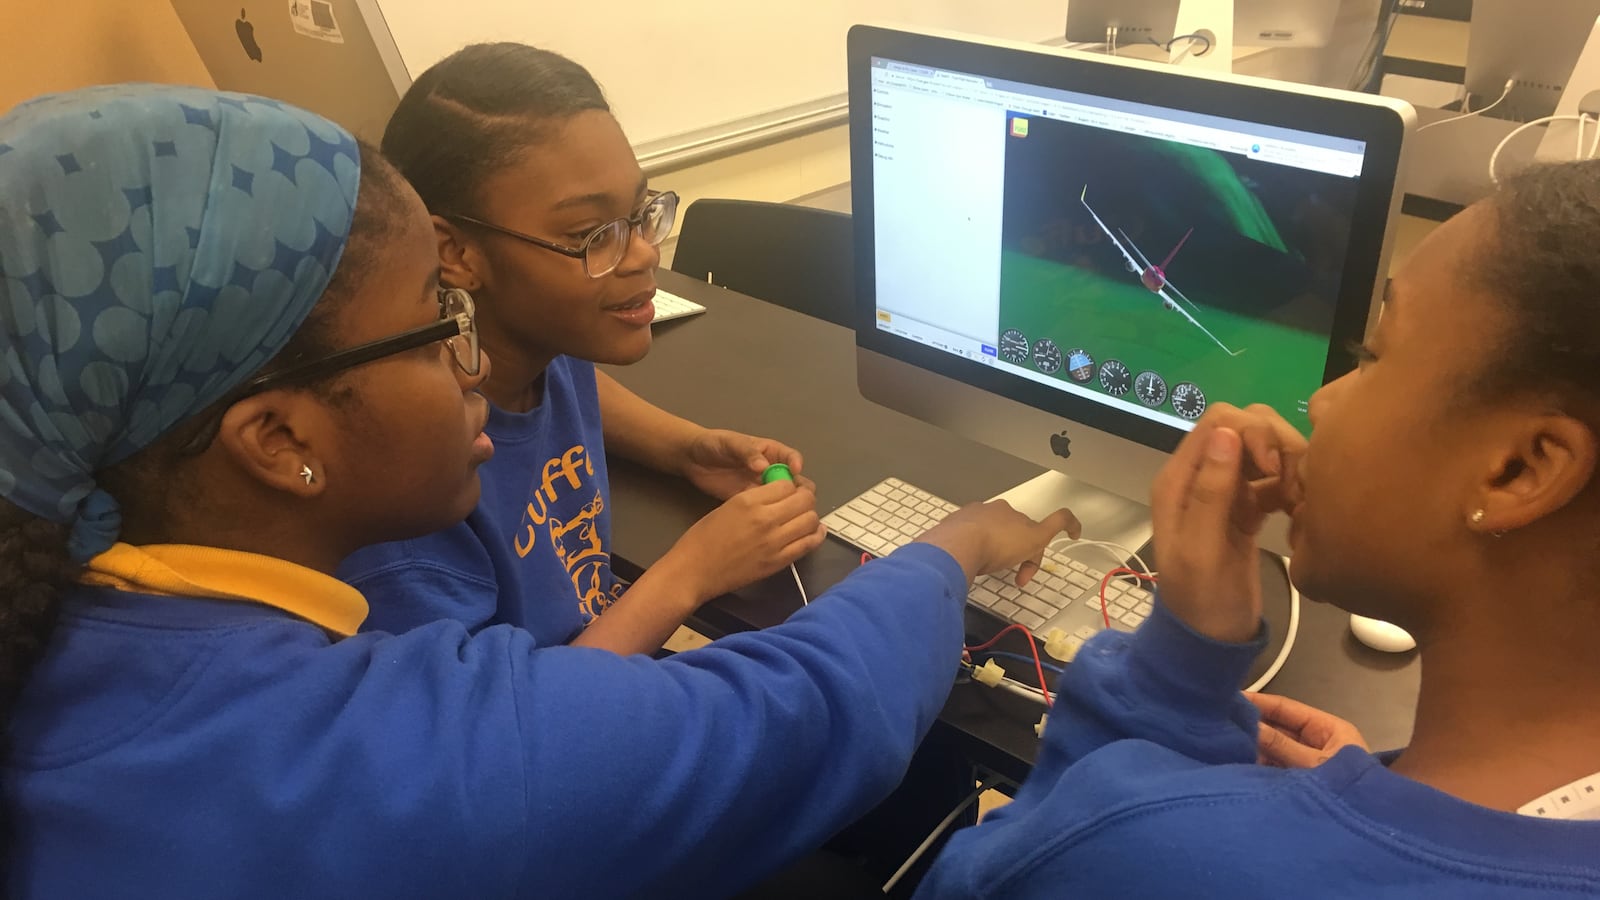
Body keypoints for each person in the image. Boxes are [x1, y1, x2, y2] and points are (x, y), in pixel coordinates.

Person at [0, 84, 1078, 898]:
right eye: (437, 327)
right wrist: (954, 546)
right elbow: (796, 717)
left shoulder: (81, 578)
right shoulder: (400, 766)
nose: (475, 367)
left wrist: (676, 444)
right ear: (279, 439)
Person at [915, 160, 1600, 898]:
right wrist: (1388, 791)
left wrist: (1173, 676)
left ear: (1520, 469)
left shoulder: (1145, 857)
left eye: (1372, 356)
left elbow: (989, 877)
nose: (1322, 402)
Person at [338, 43, 819, 656]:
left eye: (639, 213)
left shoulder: (537, 345)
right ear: (455, 253)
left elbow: (574, 383)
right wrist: (690, 573)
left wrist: (687, 448)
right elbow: (512, 713)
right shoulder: (407, 501)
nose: (644, 253)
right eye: (591, 234)